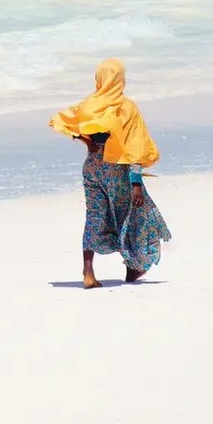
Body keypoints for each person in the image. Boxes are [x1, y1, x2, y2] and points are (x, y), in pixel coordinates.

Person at [49, 59, 172, 288]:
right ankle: (133, 267)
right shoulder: (126, 107)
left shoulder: (89, 105)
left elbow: (62, 121)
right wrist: (136, 181)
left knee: (94, 216)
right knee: (132, 215)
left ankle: (88, 270)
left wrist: (86, 140)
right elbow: (134, 146)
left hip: (92, 167)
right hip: (117, 168)